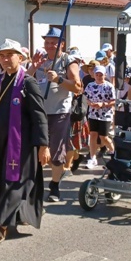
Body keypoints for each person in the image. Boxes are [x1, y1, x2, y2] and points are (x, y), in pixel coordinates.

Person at [0, 39, 49, 244]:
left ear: (21, 58)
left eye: (10, 55)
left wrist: (44, 145)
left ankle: (2, 224)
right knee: (9, 182)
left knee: (14, 184)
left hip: (23, 145)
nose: (6, 59)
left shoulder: (28, 82)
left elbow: (39, 116)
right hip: (2, 142)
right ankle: (22, 215)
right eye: (2, 55)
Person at [27, 27, 81, 202]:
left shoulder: (68, 61)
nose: (50, 46)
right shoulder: (40, 60)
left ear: (62, 44)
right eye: (47, 42)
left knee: (56, 151)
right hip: (38, 112)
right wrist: (33, 68)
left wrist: (58, 79)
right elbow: (22, 81)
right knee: (35, 148)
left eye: (53, 43)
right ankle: (35, 184)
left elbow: (78, 88)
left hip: (59, 112)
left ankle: (55, 186)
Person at [84, 66, 116, 169]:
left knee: (104, 137)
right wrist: (91, 103)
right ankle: (93, 158)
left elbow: (114, 100)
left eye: (101, 75)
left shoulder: (109, 86)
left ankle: (113, 153)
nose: (98, 76)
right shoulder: (90, 85)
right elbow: (86, 98)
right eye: (97, 74)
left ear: (105, 75)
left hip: (105, 115)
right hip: (93, 114)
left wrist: (103, 104)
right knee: (93, 135)